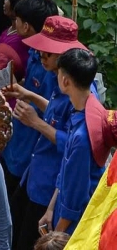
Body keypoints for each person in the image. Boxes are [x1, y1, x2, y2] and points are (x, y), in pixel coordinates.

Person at [5, 16, 90, 249]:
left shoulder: (79, 92)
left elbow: (74, 145)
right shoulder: (59, 79)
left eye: (47, 53)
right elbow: (56, 114)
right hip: (35, 176)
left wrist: (36, 123)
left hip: (49, 187)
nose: (41, 56)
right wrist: (29, 96)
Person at [1, 0, 62, 205]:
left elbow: (55, 113)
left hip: (28, 153)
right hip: (15, 141)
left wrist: (33, 113)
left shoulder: (55, 72)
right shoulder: (38, 56)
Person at [40, 49, 104, 236]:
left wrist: (55, 236)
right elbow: (65, 172)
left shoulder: (82, 137)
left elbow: (75, 201)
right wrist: (50, 209)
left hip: (74, 228)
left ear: (65, 81)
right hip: (60, 213)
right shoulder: (80, 112)